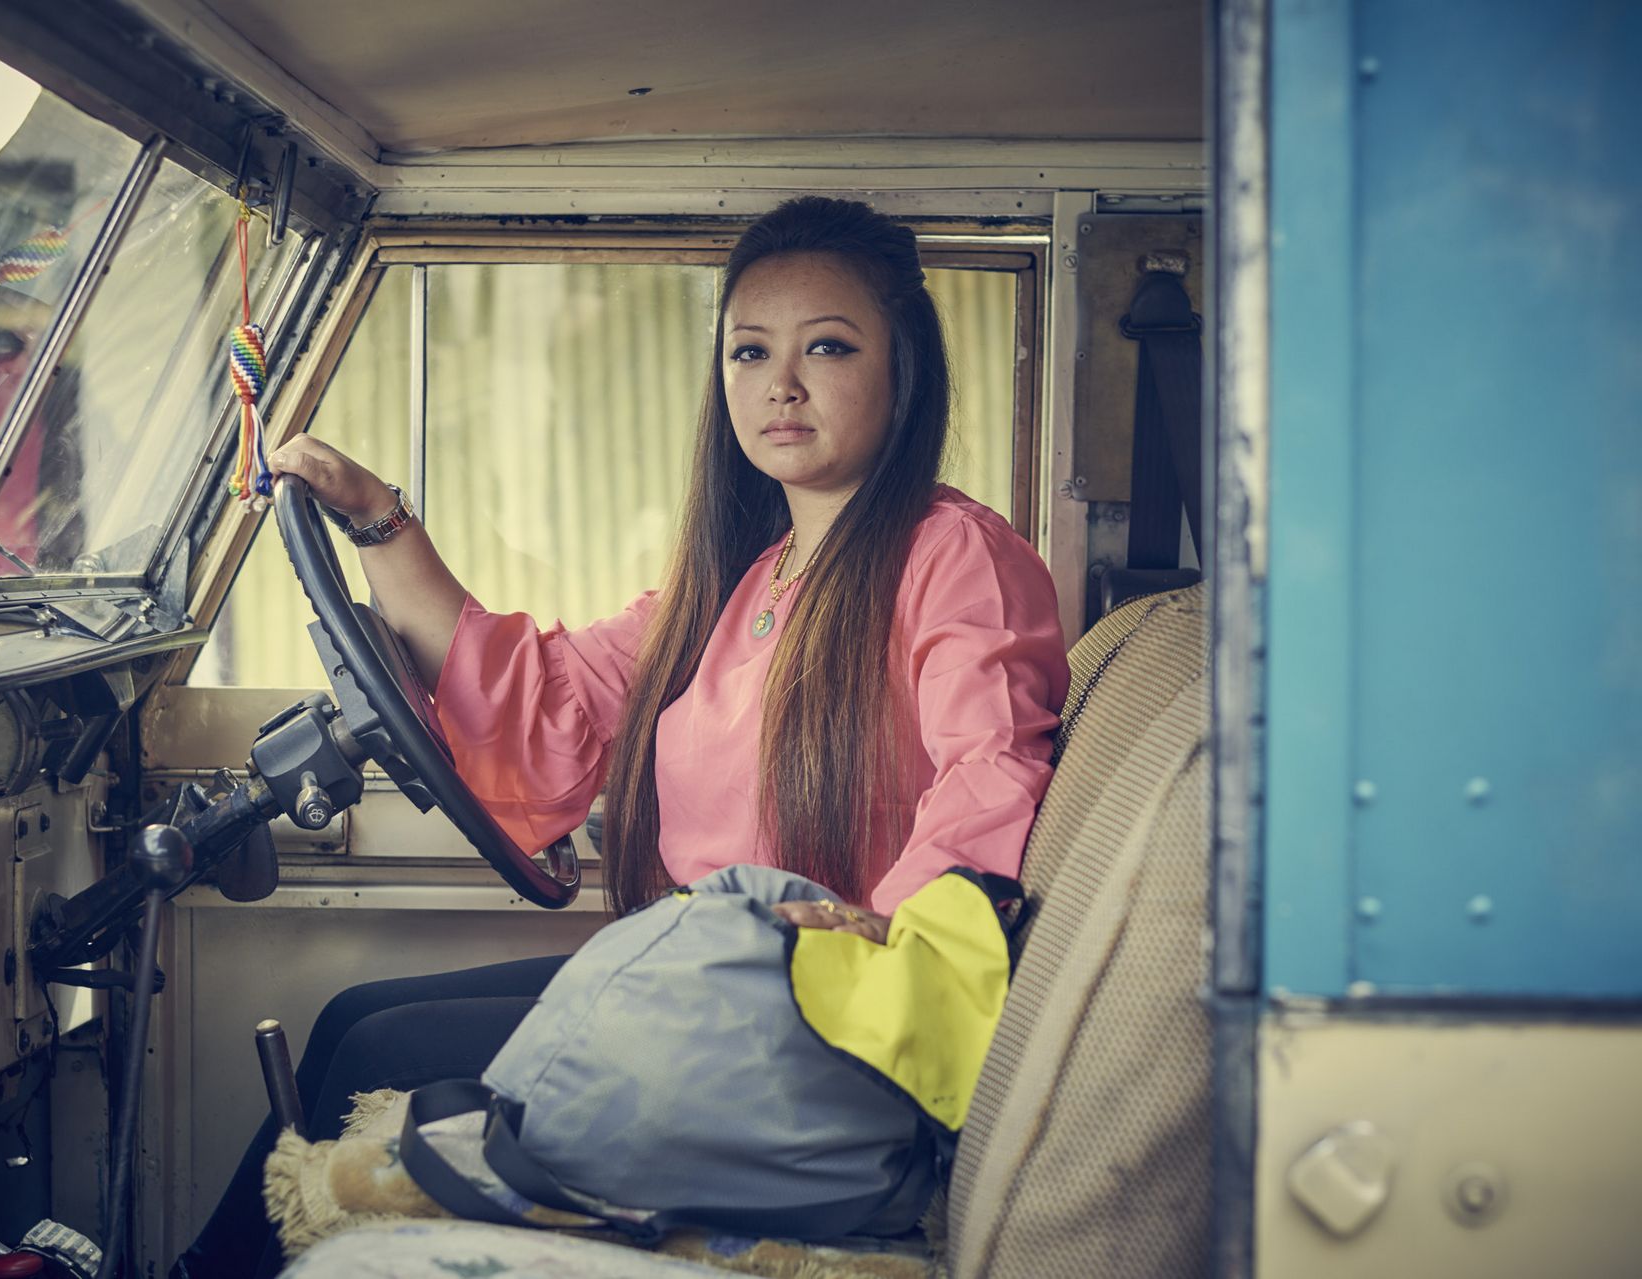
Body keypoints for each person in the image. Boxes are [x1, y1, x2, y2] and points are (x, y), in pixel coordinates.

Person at [174, 195, 1069, 1278]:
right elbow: (544, 698)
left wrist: (881, 938)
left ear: (903, 371)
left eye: (827, 347)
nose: (780, 383)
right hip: (696, 992)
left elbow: (994, 768)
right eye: (750, 351)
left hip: (813, 1028)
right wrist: (377, 517)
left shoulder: (951, 554)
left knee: (373, 1046)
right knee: (355, 1011)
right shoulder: (741, 581)